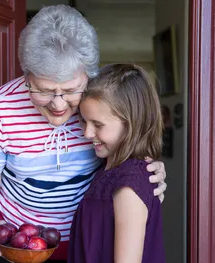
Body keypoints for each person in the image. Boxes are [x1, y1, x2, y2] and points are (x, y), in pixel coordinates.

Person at [0, 5, 167, 262]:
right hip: (20, 248)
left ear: (88, 77)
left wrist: (147, 170)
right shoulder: (1, 107)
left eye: (71, 90)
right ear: (27, 76)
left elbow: (127, 151)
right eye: (45, 90)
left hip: (87, 245)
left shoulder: (100, 103)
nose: (58, 105)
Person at [68, 63, 165, 263]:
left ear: (131, 123)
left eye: (98, 124)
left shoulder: (129, 183)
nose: (87, 133)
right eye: (84, 121)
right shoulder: (107, 169)